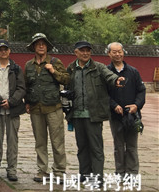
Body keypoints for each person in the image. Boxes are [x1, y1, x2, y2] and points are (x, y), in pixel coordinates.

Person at [65, 41, 125, 182]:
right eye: (82, 50)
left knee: (96, 148)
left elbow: (109, 76)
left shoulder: (98, 67)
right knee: (82, 147)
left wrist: (117, 80)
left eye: (88, 50)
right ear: (76, 52)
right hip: (77, 114)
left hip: (94, 114)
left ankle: (98, 177)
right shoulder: (71, 68)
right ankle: (84, 174)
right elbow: (67, 86)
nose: (86, 53)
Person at [24, 33, 70, 182]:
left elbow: (66, 79)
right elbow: (26, 85)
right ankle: (42, 170)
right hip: (36, 108)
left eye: (43, 44)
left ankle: (59, 171)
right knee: (40, 142)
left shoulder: (55, 62)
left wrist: (53, 71)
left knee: (57, 142)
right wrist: (27, 103)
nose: (41, 46)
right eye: (38, 44)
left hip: (53, 107)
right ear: (34, 47)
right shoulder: (29, 65)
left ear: (47, 47)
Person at [0, 40, 26, 182]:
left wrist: (11, 101)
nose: (3, 51)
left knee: (12, 141)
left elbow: (22, 88)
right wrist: (0, 101)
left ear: (9, 51)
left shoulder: (16, 68)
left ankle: (12, 169)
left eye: (5, 49)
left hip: (13, 109)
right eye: (0, 49)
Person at [106, 42, 146, 177]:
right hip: (115, 115)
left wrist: (136, 105)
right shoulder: (106, 72)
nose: (118, 54)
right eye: (114, 52)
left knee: (132, 146)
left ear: (123, 52)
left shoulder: (133, 72)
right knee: (118, 146)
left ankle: (133, 173)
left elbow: (141, 91)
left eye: (120, 51)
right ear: (109, 54)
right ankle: (120, 173)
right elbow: (103, 94)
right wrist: (114, 105)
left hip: (132, 115)